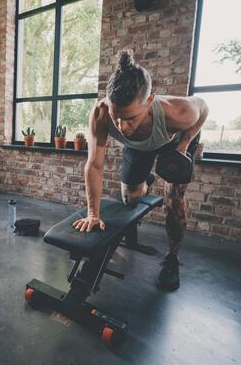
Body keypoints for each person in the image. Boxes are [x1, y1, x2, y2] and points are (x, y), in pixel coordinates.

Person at [73, 49, 209, 291]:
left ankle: (172, 259)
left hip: (172, 143)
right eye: (118, 119)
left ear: (149, 101)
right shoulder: (101, 113)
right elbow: (94, 164)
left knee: (174, 201)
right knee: (131, 197)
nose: (122, 127)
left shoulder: (179, 112)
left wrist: (185, 143)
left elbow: (204, 108)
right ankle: (146, 179)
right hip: (138, 147)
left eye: (131, 118)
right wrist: (93, 213)